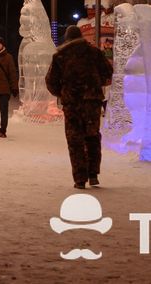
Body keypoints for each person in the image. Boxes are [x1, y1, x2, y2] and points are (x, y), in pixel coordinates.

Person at [45, 25, 114, 189]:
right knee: (92, 136)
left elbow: (51, 81)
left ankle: (80, 178)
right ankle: (93, 174)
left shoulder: (60, 56)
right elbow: (108, 72)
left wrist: (62, 93)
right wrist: (97, 84)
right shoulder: (95, 53)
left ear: (67, 39)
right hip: (92, 101)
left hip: (72, 103)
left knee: (74, 139)